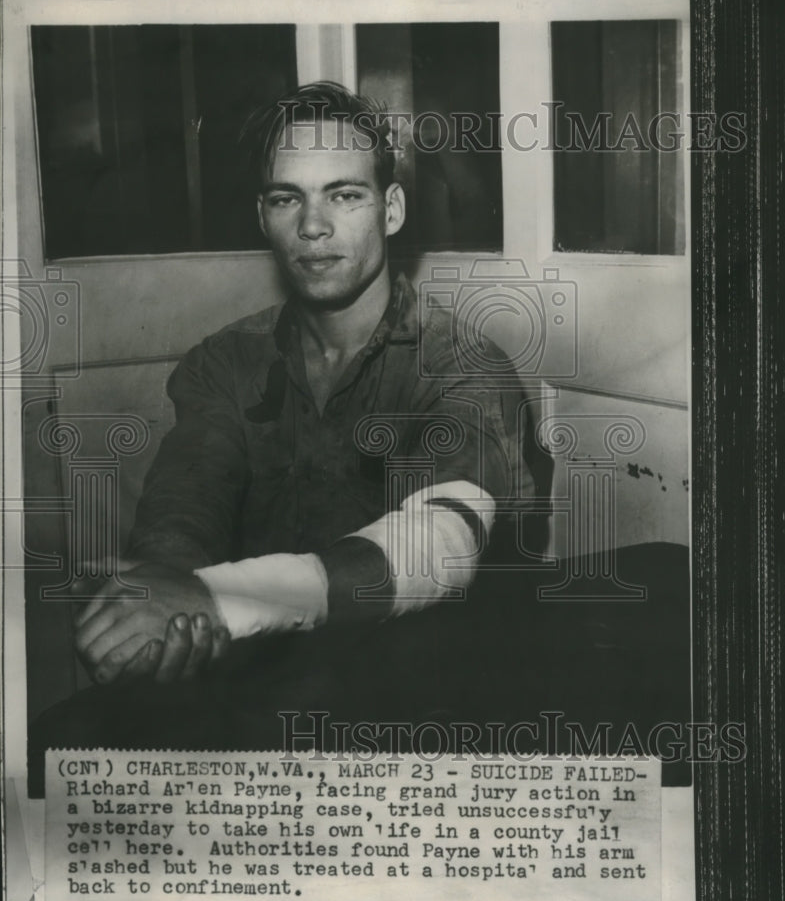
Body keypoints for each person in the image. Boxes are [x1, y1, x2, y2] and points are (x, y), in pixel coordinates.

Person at [73, 82, 538, 687]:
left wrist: (216, 597)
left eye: (344, 195)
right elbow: (187, 499)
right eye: (286, 198)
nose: (312, 226)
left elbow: (442, 542)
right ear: (261, 217)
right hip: (255, 679)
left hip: (420, 699)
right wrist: (160, 594)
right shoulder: (224, 361)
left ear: (390, 210)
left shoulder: (462, 364)